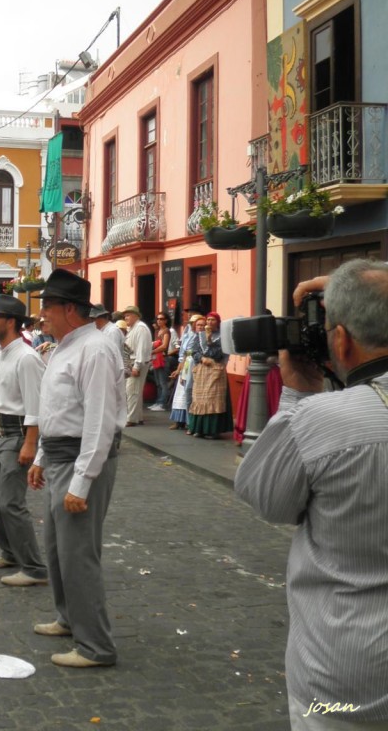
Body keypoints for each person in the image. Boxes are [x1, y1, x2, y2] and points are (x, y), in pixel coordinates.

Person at [236, 259, 388, 727]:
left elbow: (266, 496)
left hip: (346, 672)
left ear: (339, 340)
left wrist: (300, 392)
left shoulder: (323, 421)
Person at [28, 268, 124, 668]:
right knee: (58, 551)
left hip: (81, 460)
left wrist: (81, 484)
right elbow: (57, 411)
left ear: (70, 308)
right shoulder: (65, 345)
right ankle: (70, 619)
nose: (42, 315)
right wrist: (39, 458)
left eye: (47, 306)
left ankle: (95, 646)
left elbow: (99, 422)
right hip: (59, 456)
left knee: (78, 554)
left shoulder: (96, 349)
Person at [0, 294, 49, 587]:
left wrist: (30, 445)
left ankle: (33, 568)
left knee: (11, 504)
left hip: (18, 436)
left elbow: (36, 406)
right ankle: (9, 552)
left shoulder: (27, 358)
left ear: (11, 322)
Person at [185, 312, 233, 439]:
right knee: (199, 399)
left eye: (213, 320)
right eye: (208, 320)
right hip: (202, 370)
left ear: (218, 322)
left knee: (213, 399)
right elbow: (194, 351)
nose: (210, 322)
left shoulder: (223, 337)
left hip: (215, 369)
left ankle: (211, 429)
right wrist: (201, 358)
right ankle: (198, 428)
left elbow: (218, 353)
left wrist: (210, 340)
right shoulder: (199, 335)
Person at [169, 314, 204, 431]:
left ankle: (190, 421)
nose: (196, 326)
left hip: (195, 364)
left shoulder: (201, 337)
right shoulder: (187, 335)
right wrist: (179, 369)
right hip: (186, 365)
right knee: (180, 394)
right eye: (194, 324)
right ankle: (179, 420)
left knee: (189, 393)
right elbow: (183, 354)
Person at [122, 305, 153, 426]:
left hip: (136, 362)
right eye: (125, 315)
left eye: (128, 315)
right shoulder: (133, 328)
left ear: (136, 316)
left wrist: (137, 366)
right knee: (134, 391)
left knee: (132, 391)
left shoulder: (140, 328)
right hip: (131, 362)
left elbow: (141, 349)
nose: (126, 317)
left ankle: (131, 419)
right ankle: (138, 417)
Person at [147, 313, 174, 411]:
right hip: (156, 358)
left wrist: (152, 351)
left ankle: (162, 403)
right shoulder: (159, 331)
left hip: (162, 358)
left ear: (166, 320)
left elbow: (164, 346)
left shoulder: (166, 331)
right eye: (157, 319)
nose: (159, 321)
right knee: (158, 382)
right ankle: (158, 402)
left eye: (161, 319)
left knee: (163, 382)